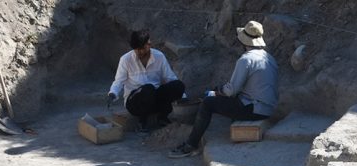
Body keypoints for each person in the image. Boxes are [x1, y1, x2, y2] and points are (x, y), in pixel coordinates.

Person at [169, 21, 278, 158]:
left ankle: (191, 144)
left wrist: (217, 91)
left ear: (244, 41)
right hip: (268, 109)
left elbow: (231, 90)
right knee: (228, 99)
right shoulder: (269, 57)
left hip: (254, 109)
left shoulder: (246, 59)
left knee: (208, 103)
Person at [107, 30, 185, 129]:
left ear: (148, 45)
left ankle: (162, 117)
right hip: (135, 103)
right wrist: (113, 93)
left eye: (142, 49)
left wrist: (183, 96)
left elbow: (170, 78)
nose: (139, 52)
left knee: (178, 85)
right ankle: (142, 121)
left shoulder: (159, 56)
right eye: (137, 49)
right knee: (148, 88)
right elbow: (119, 81)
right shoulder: (125, 60)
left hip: (154, 100)